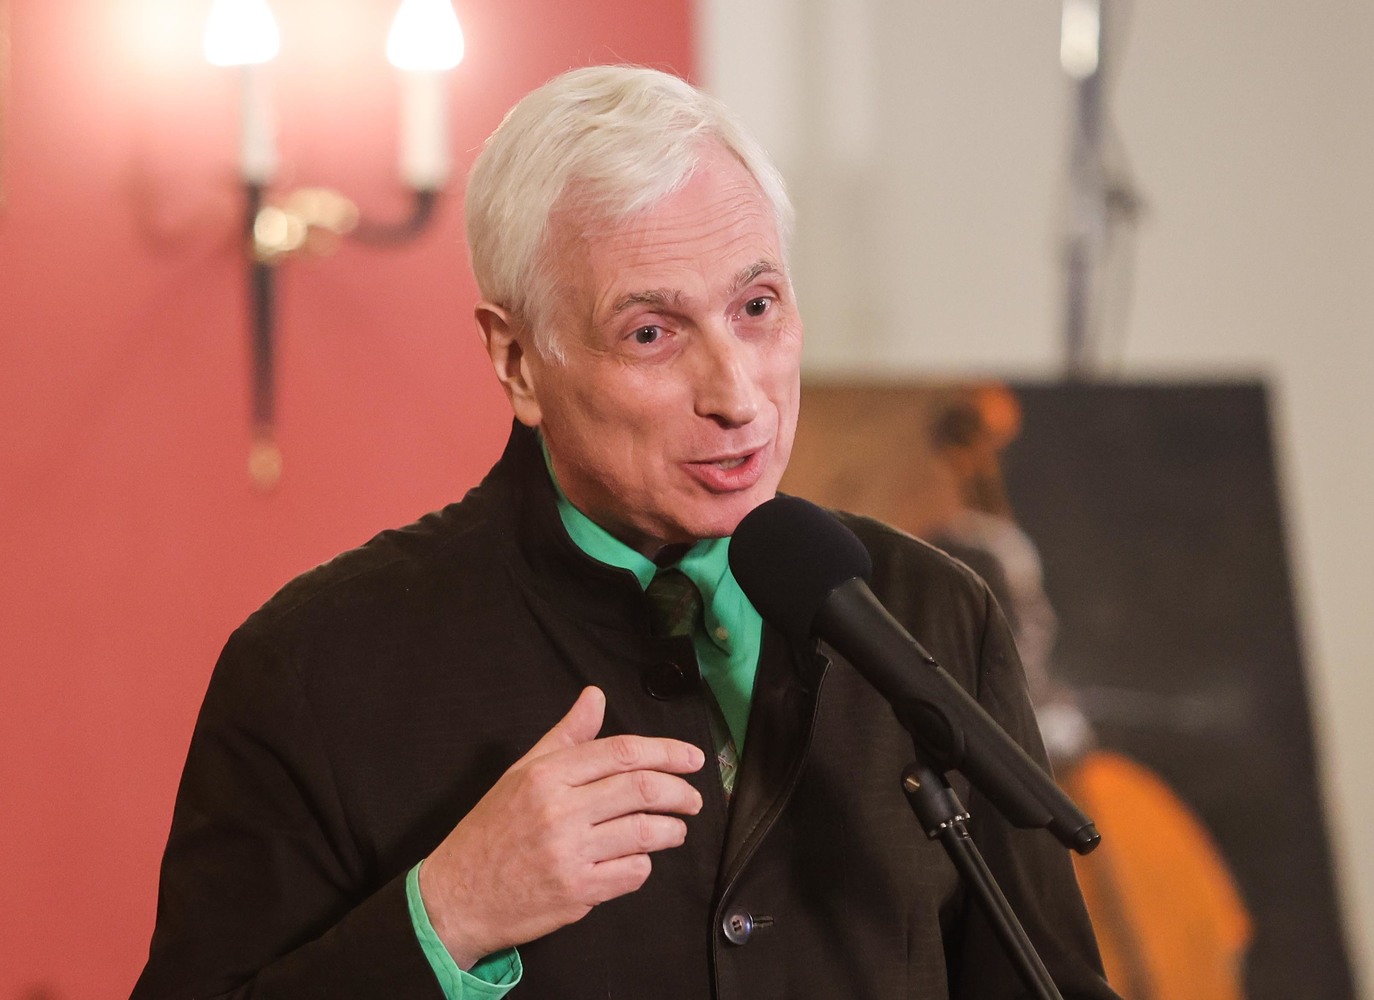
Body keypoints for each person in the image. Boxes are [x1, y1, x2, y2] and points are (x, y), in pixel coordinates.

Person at [132, 66, 1118, 1000]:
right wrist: (448, 916)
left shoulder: (935, 610)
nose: (737, 395)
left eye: (757, 307)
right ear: (517, 361)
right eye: (652, 332)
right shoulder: (314, 668)